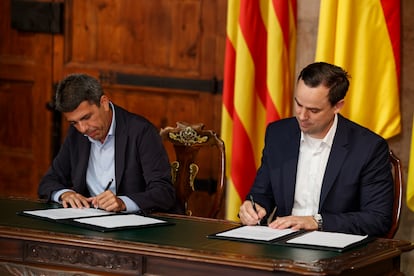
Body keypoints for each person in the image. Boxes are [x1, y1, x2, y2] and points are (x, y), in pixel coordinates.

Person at [238, 62, 394, 237]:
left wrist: (317, 221)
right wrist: (252, 208)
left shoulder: (368, 147)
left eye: (313, 110)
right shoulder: (278, 134)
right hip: (282, 246)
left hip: (337, 249)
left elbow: (377, 219)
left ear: (337, 106)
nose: (302, 116)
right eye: (298, 104)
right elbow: (261, 194)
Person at [38, 73, 177, 214]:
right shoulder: (76, 134)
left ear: (104, 103)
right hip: (87, 223)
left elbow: (164, 192)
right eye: (74, 123)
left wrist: (123, 203)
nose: (83, 129)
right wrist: (64, 194)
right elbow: (49, 181)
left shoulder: (141, 131)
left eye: (86, 117)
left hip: (131, 226)